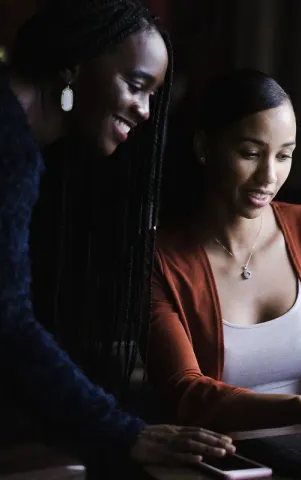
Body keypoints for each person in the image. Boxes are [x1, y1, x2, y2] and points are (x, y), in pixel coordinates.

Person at [0, 0, 235, 467]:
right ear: (77, 62)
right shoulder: (11, 148)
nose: (146, 112)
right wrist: (122, 432)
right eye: (136, 85)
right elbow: (7, 323)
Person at [147, 68, 301, 432]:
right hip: (218, 461)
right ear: (204, 148)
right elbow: (183, 392)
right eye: (251, 153)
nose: (268, 177)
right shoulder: (161, 259)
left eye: (284, 156)